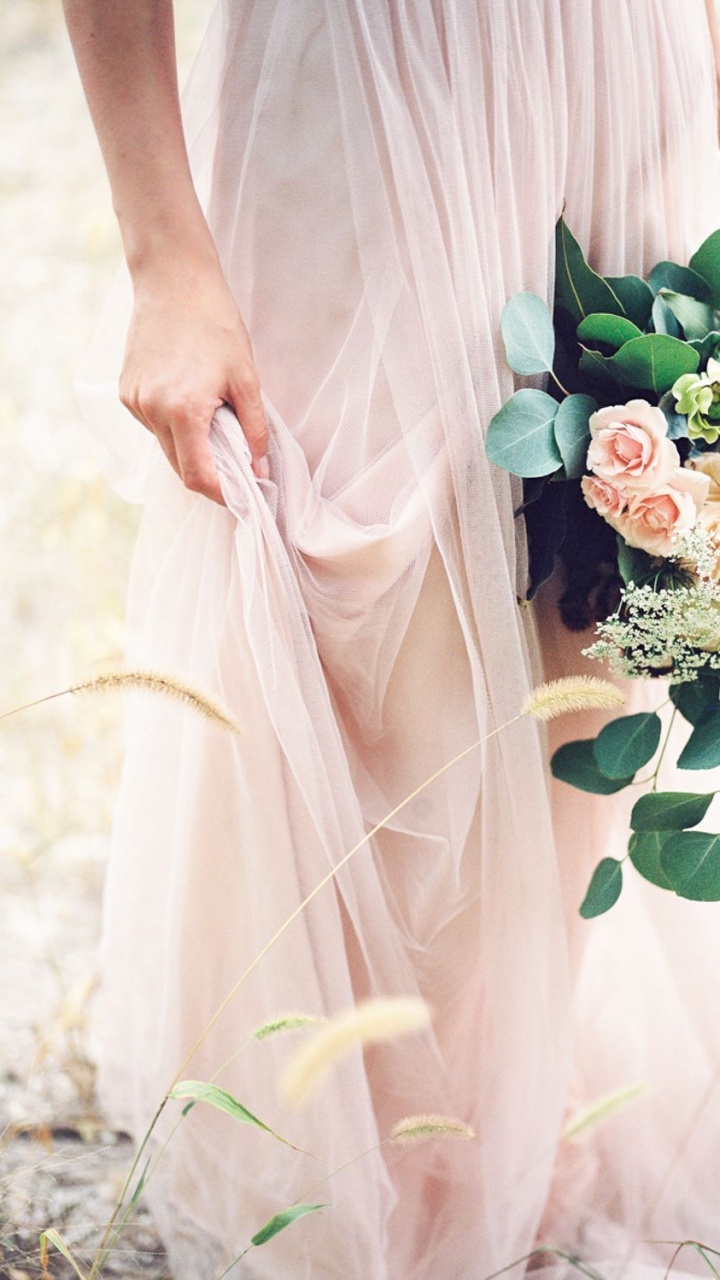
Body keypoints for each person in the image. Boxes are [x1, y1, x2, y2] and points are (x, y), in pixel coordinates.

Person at [63, 2, 720, 1277]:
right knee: (355, 600)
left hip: (622, 68)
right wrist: (164, 261)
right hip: (359, 80)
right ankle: (354, 1181)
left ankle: (485, 1147)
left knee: (589, 592)